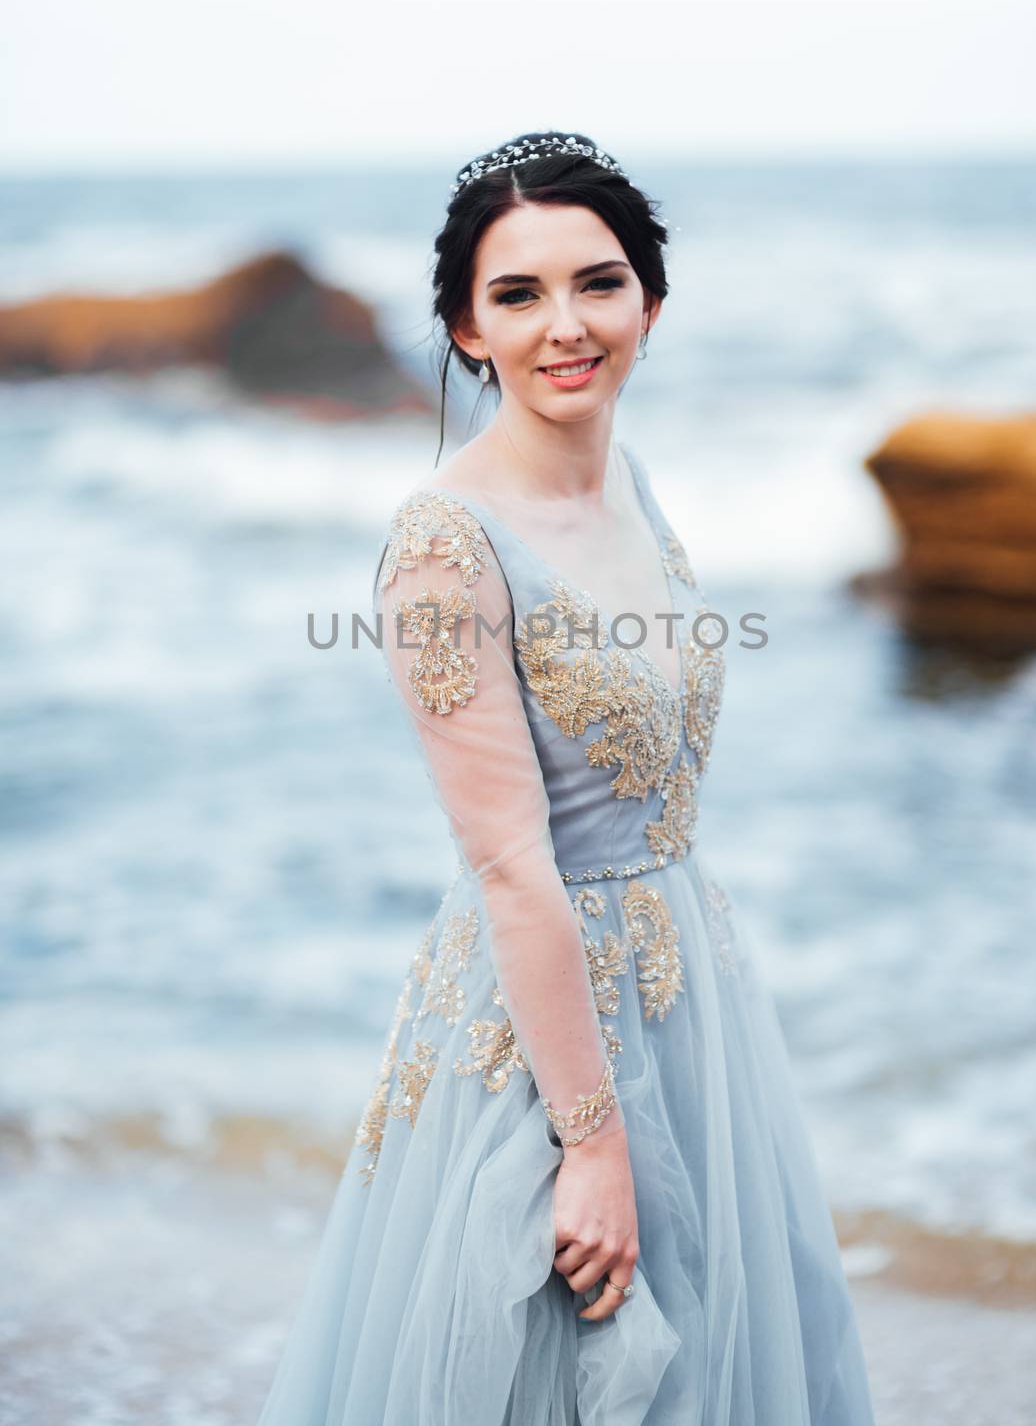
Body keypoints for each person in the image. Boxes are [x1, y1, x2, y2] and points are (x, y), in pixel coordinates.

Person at [256, 131, 877, 1424]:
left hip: (696, 994)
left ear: (651, 301)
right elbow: (508, 863)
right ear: (464, 329)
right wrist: (590, 1144)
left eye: (597, 283)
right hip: (545, 1035)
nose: (565, 326)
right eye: (518, 295)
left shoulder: (630, 486)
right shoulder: (444, 546)